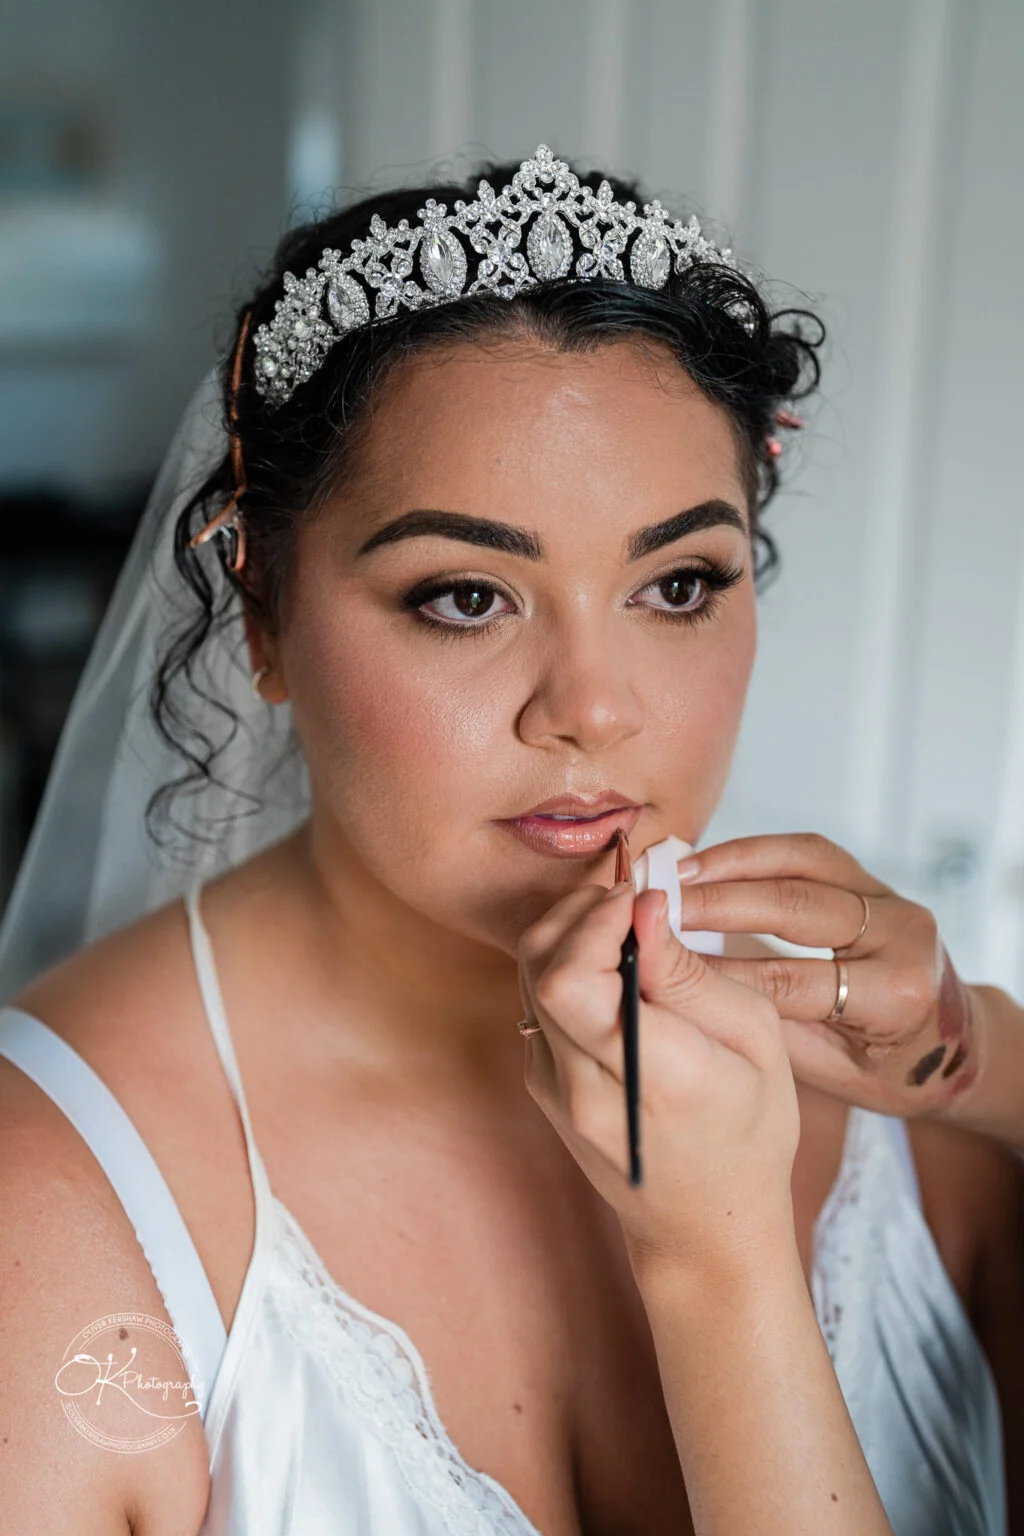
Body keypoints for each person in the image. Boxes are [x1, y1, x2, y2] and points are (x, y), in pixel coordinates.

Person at [0, 146, 1020, 1536]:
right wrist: (719, 1263)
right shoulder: (47, 1215)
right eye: (466, 597)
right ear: (262, 610)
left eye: (679, 582)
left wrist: (975, 1047)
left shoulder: (933, 1126)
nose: (597, 709)